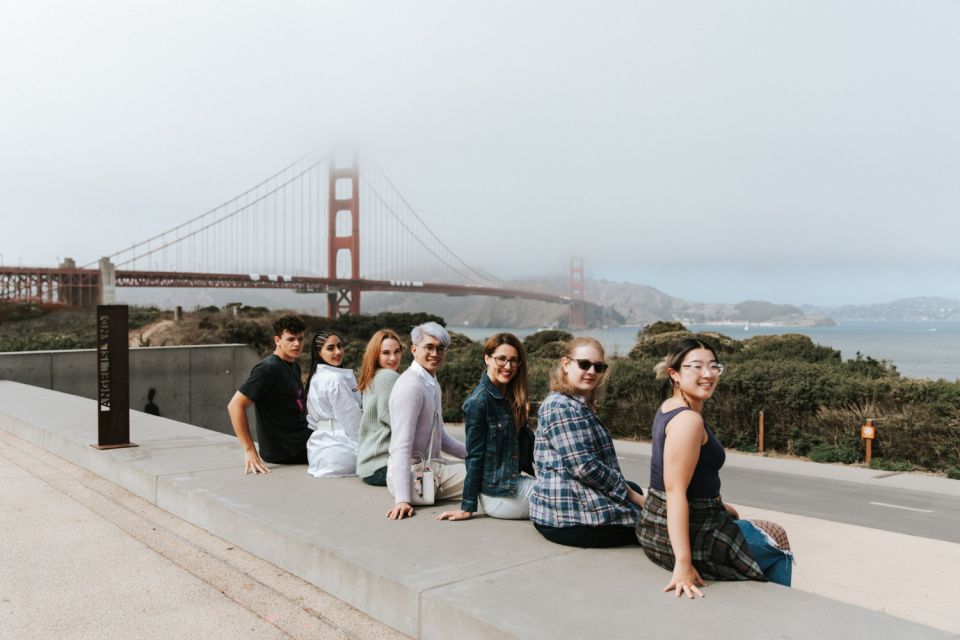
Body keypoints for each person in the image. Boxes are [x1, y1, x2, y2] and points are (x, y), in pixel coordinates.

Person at [637, 337, 793, 599]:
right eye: (696, 367)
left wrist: (719, 505)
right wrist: (683, 565)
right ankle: (777, 610)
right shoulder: (688, 421)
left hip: (656, 525)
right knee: (777, 537)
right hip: (689, 534)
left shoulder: (670, 407)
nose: (708, 374)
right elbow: (675, 491)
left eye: (713, 366)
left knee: (740, 518)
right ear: (674, 374)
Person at [530, 337, 645, 547]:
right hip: (568, 520)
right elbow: (584, 467)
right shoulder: (561, 407)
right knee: (656, 523)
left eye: (598, 366)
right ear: (566, 364)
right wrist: (633, 497)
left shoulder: (574, 402)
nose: (592, 371)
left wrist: (628, 491)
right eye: (584, 364)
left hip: (563, 507)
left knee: (635, 489)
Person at [438, 333, 536, 521]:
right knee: (567, 497)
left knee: (568, 491)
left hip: (513, 484)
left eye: (514, 361)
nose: (508, 366)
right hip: (498, 496)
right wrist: (467, 507)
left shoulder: (511, 398)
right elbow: (474, 456)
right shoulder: (478, 402)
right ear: (487, 358)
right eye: (501, 359)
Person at [386, 321, 467, 520]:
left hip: (429, 467)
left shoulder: (429, 381)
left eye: (440, 348)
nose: (435, 353)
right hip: (414, 477)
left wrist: (475, 454)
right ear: (414, 350)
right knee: (488, 474)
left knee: (485, 465)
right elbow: (401, 446)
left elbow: (442, 438)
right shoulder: (411, 386)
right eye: (429, 347)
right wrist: (403, 499)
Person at [227, 315, 312, 474]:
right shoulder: (268, 369)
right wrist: (249, 450)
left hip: (299, 439)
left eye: (300, 339)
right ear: (277, 340)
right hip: (284, 450)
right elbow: (235, 405)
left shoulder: (293, 366)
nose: (297, 344)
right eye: (291, 339)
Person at [303, 330, 362, 477]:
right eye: (330, 348)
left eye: (340, 346)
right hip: (342, 452)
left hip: (319, 454)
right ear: (319, 353)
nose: (338, 351)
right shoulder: (334, 380)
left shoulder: (316, 377)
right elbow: (352, 420)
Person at [356, 329, 404, 486]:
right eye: (386, 353)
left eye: (397, 351)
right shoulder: (389, 377)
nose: (393, 358)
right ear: (375, 355)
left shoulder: (373, 377)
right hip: (382, 465)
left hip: (368, 467)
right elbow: (397, 422)